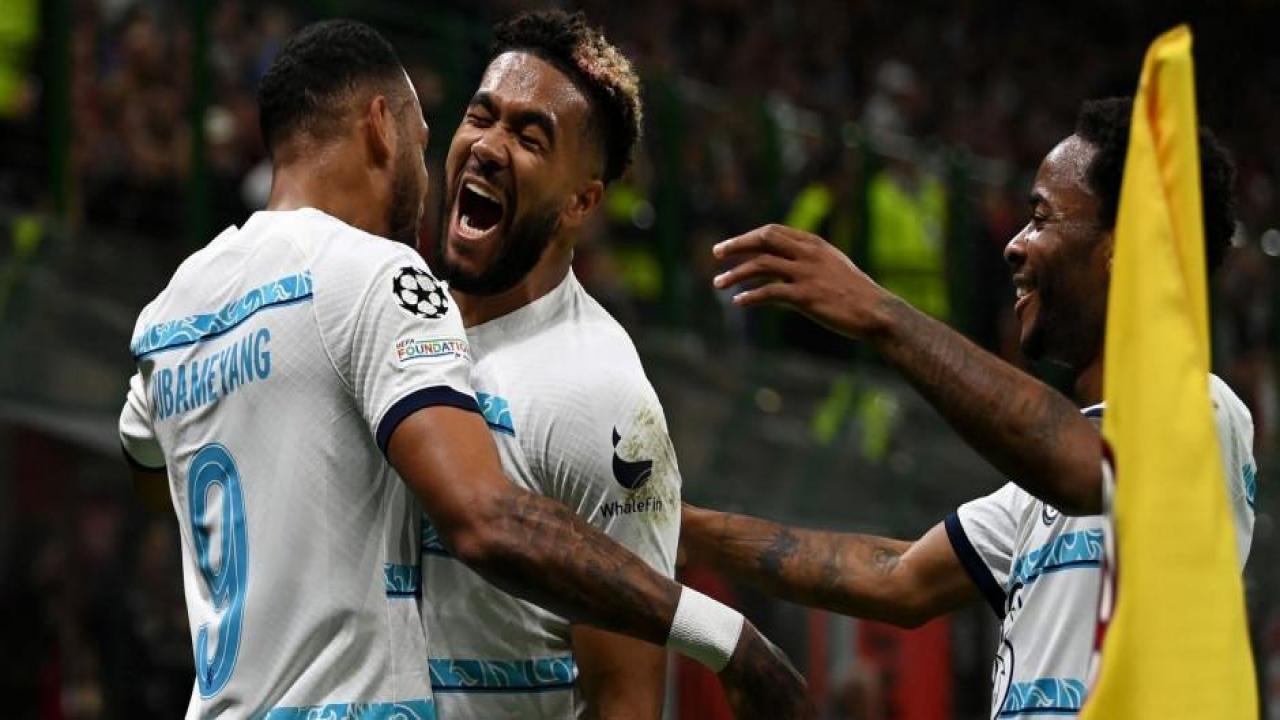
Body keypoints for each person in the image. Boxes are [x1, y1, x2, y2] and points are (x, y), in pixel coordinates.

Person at [117, 19, 809, 719]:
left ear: (582, 200)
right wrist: (723, 636)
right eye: (459, 126)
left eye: (529, 137)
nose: (472, 152)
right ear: (381, 128)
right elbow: (485, 518)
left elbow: (156, 476)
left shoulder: (173, 311)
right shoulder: (378, 281)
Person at [681, 97, 1256, 718]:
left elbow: (1085, 469)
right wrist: (686, 530)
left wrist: (879, 312)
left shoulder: (1205, 414)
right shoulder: (1035, 496)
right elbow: (897, 575)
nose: (1014, 245)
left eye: (1041, 217)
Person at [417, 11, 682, 718]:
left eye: (529, 138)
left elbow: (625, 698)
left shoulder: (605, 398)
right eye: (481, 117)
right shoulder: (391, 321)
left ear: (580, 203)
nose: (488, 147)